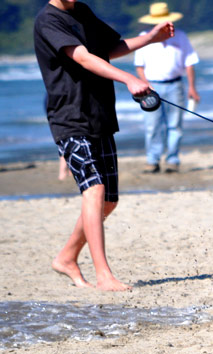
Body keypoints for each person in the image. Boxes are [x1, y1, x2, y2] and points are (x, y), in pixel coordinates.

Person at [34, 0, 174, 290]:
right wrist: (128, 78)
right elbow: (83, 57)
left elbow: (111, 48)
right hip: (69, 118)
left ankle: (67, 257)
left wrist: (150, 38)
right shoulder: (48, 20)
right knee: (94, 189)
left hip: (100, 116)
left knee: (108, 201)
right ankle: (103, 275)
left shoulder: (81, 11)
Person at [134, 2, 200, 174]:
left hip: (176, 85)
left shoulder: (180, 36)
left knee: (175, 125)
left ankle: (172, 160)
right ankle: (152, 160)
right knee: (152, 125)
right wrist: (145, 84)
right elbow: (139, 65)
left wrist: (192, 88)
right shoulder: (144, 36)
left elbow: (189, 63)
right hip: (151, 87)